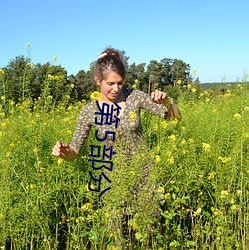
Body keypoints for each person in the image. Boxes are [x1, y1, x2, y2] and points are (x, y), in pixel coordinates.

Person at [52, 47, 181, 247]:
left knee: (149, 234)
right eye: (110, 83)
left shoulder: (134, 97)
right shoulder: (90, 111)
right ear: (98, 81)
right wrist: (64, 152)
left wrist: (168, 102)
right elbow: (75, 151)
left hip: (144, 176)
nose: (116, 88)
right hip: (112, 182)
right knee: (119, 238)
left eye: (120, 83)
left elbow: (174, 118)